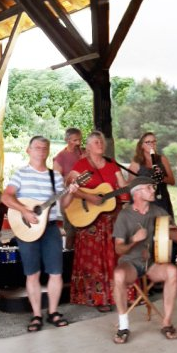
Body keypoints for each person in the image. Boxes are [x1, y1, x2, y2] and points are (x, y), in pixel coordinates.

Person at [0, 136, 77, 332]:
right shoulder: (20, 174)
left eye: (44, 147)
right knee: (32, 273)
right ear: (28, 150)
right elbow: (6, 197)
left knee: (56, 272)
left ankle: (53, 312)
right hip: (27, 229)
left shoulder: (55, 176)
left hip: (50, 228)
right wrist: (25, 211)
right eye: (37, 147)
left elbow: (63, 205)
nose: (41, 150)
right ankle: (36, 315)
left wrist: (71, 192)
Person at [109, 178, 177, 343]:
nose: (153, 190)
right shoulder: (125, 215)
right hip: (131, 263)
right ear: (137, 193)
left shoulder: (159, 211)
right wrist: (134, 240)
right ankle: (123, 326)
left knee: (172, 271)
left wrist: (164, 231)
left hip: (153, 263)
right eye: (149, 187)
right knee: (118, 275)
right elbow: (118, 249)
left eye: (152, 187)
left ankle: (167, 323)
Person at [71, 131, 129, 313]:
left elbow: (123, 187)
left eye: (101, 141)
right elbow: (71, 188)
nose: (100, 144)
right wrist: (90, 197)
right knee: (94, 261)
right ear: (88, 147)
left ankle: (118, 295)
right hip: (90, 219)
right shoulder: (81, 165)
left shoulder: (112, 164)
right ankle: (97, 298)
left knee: (115, 255)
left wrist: (132, 191)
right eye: (96, 142)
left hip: (113, 217)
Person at [131, 132, 176, 215]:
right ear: (141, 145)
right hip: (144, 202)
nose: (152, 144)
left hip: (161, 200)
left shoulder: (162, 159)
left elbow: (172, 181)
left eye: (154, 141)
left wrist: (162, 177)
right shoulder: (136, 162)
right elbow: (131, 184)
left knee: (163, 223)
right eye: (148, 142)